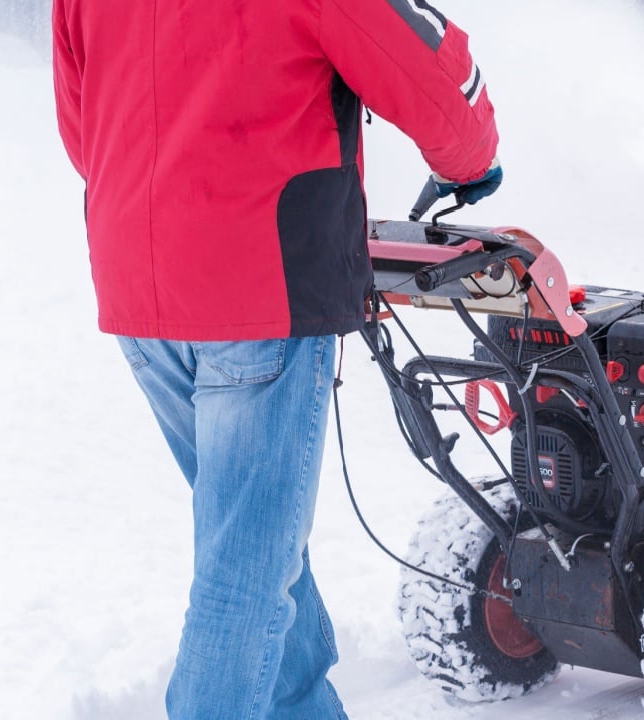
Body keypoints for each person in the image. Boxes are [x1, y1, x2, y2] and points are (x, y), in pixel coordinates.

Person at [50, 2, 502, 718]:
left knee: (252, 537)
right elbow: (431, 73)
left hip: (138, 285)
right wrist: (472, 159)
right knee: (246, 575)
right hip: (258, 283)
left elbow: (83, 130)